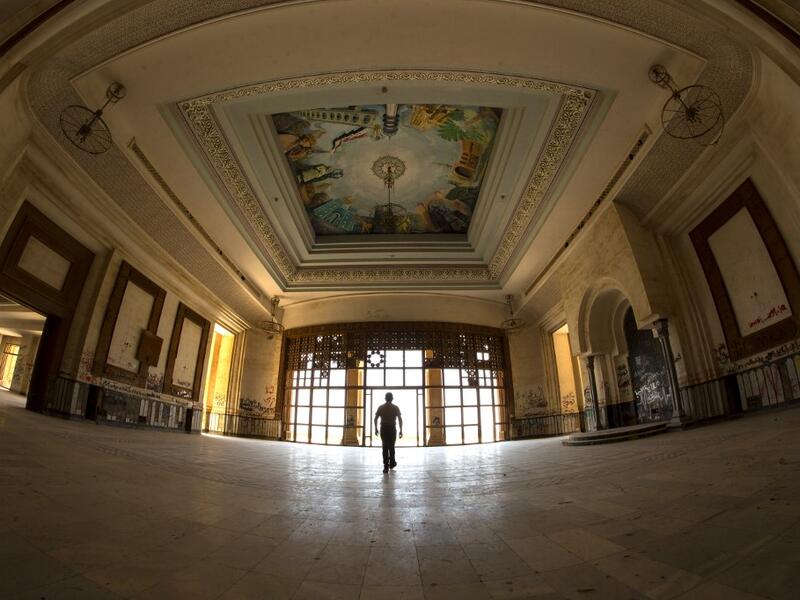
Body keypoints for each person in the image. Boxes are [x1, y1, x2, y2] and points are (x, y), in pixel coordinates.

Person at [374, 392, 403, 474]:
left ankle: (386, 466)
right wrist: (401, 430)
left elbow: (375, 418)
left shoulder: (381, 407)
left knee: (385, 446)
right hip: (392, 428)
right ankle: (392, 463)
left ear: (385, 398)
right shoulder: (395, 407)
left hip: (383, 428)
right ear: (392, 398)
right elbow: (400, 419)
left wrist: (376, 428)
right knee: (392, 446)